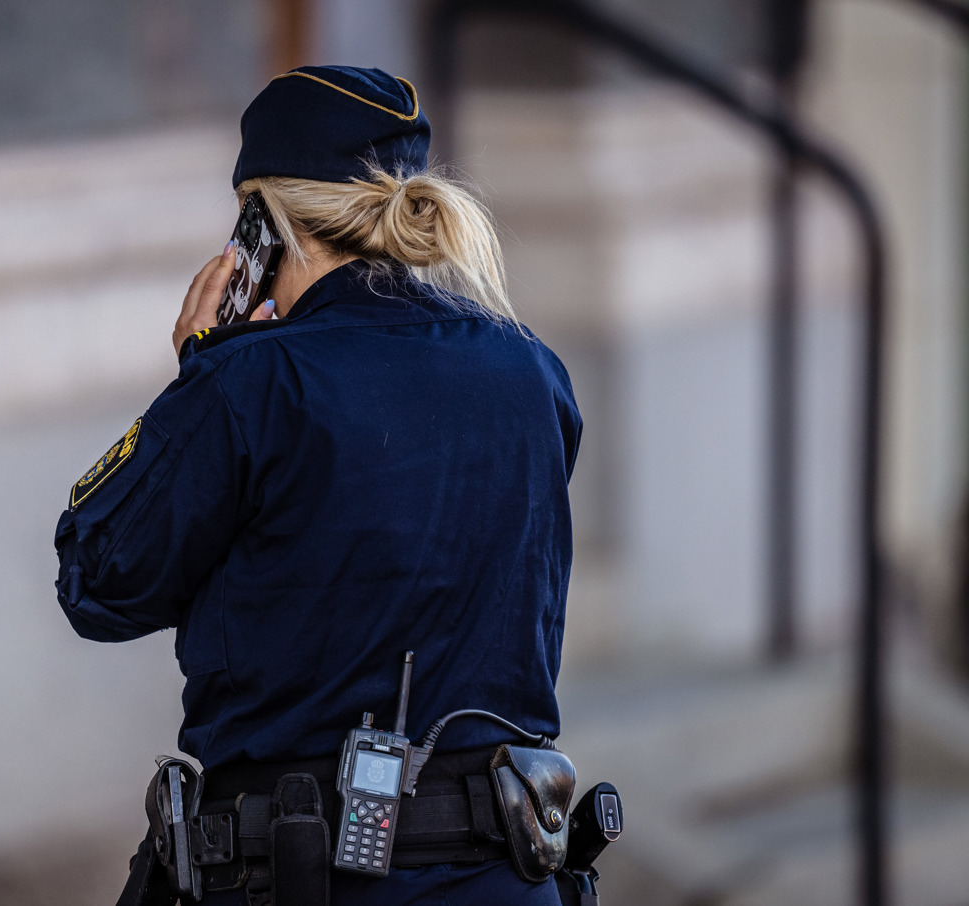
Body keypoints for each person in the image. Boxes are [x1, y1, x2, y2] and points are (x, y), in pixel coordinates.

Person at [55, 66, 582, 906]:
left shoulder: (248, 387)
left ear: (259, 228)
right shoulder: (533, 373)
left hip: (295, 882)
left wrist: (195, 376)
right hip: (504, 878)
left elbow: (99, 580)